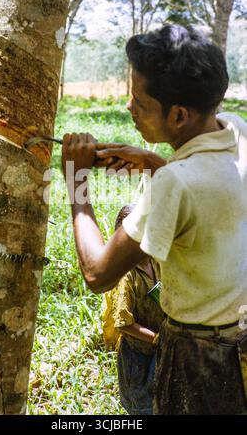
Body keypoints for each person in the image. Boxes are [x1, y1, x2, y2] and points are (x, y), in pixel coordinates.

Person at [61, 24, 247, 414]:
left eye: (138, 102)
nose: (129, 108)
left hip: (198, 360)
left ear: (178, 115)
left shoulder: (173, 185)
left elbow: (98, 274)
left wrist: (77, 181)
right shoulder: (236, 131)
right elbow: (208, 191)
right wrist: (154, 161)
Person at [101, 204, 165, 415]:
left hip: (158, 348)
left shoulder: (155, 261)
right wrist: (156, 338)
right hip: (136, 354)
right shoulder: (126, 275)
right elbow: (124, 324)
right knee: (140, 406)